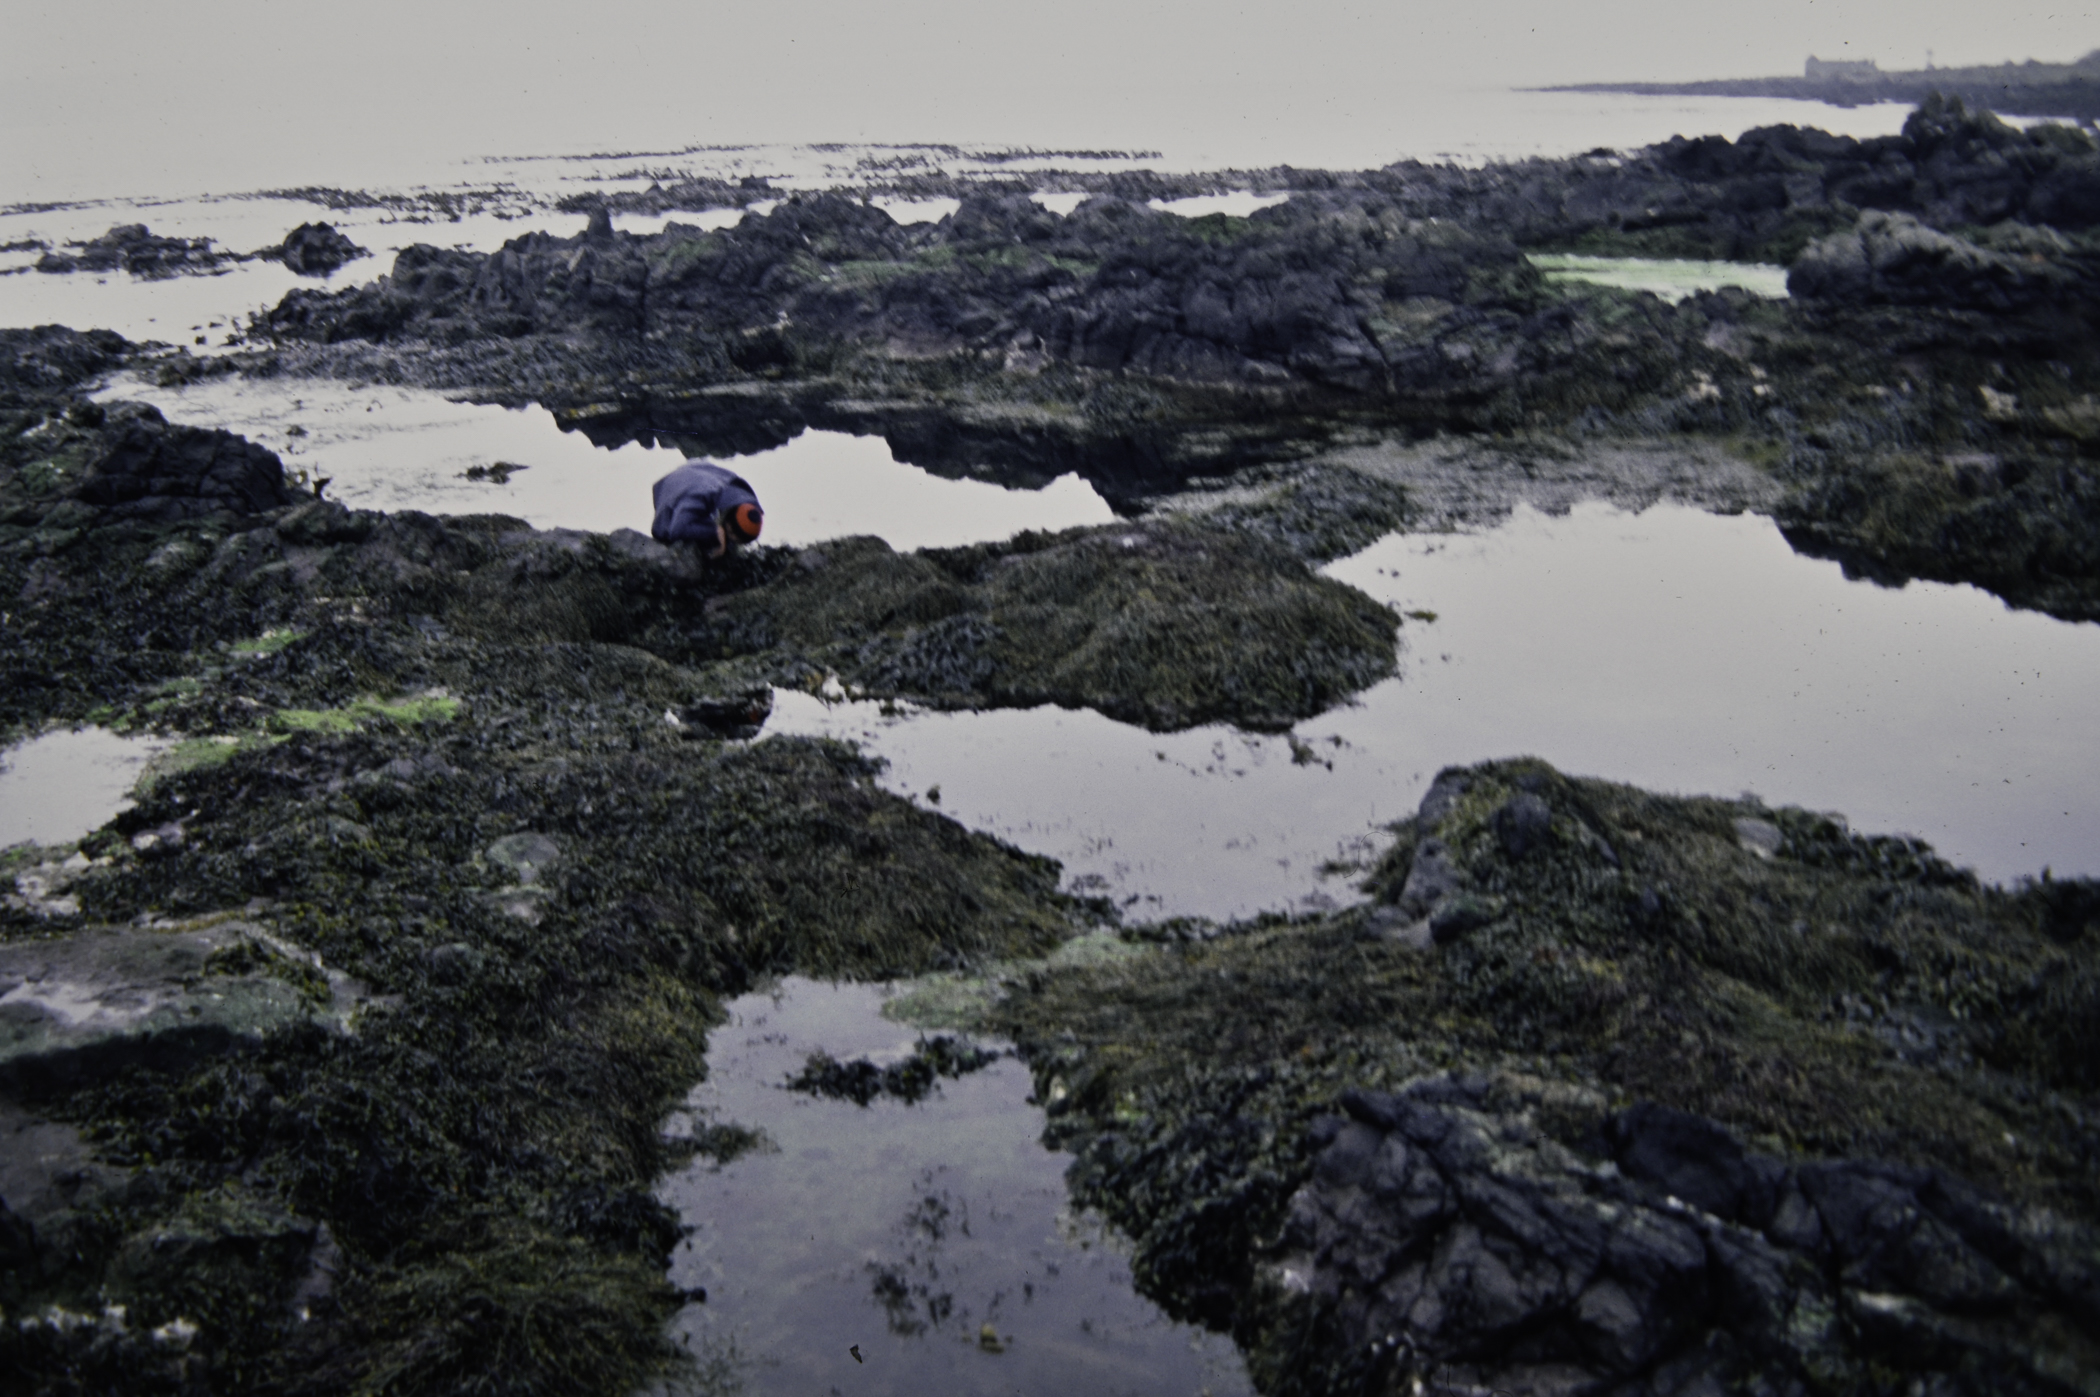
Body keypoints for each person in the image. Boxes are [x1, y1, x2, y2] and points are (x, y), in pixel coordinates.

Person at [651, 460, 763, 558]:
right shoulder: (701, 495)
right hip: (673, 490)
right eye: (730, 534)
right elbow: (677, 529)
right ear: (728, 522)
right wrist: (715, 532)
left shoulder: (741, 496)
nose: (730, 539)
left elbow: (750, 517)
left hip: (701, 472)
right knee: (672, 532)